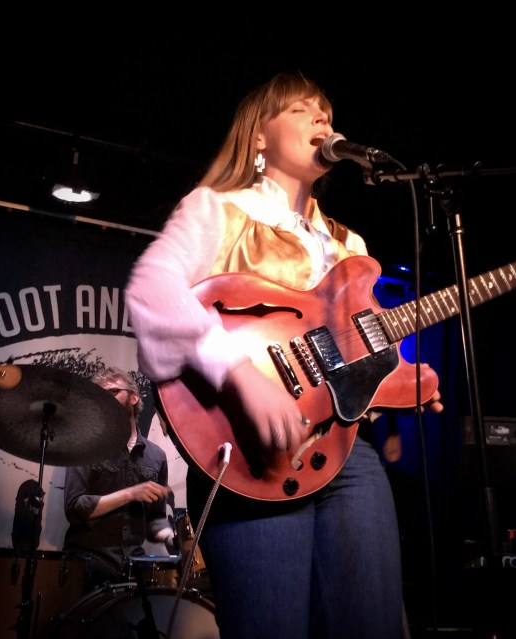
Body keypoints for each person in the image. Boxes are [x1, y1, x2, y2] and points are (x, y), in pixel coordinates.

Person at [125, 70, 443, 639]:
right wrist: (240, 374)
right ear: (259, 137)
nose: (321, 118)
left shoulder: (351, 246)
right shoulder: (217, 209)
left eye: (326, 112)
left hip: (347, 454)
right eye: (301, 109)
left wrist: (392, 384)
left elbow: (346, 368)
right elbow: (152, 291)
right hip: (251, 456)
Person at [62, 366, 177, 595]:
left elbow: (155, 520)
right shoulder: (85, 446)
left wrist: (171, 537)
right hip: (87, 563)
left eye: (113, 391)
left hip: (133, 569)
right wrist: (130, 494)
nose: (105, 398)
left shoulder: (156, 457)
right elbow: (75, 508)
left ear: (134, 398)